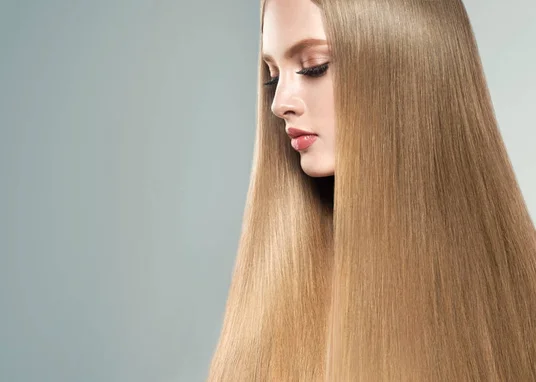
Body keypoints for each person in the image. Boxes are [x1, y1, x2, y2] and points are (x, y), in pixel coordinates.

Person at [208, 0, 536, 380]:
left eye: (314, 66)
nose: (279, 103)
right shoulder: (274, 308)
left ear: (409, 66)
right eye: (272, 76)